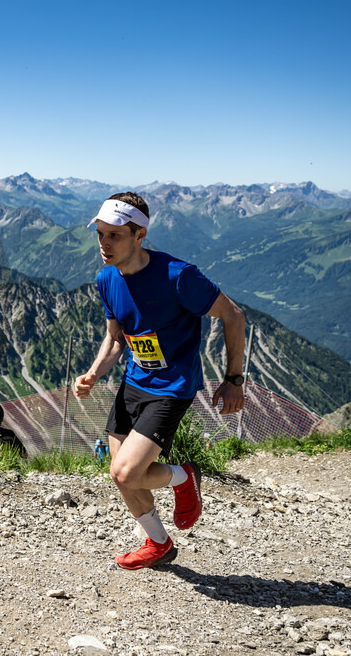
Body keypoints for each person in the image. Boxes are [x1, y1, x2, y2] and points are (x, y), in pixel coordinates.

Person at [74, 192, 245, 570]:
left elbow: (234, 316)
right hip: (133, 383)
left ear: (140, 235)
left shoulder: (178, 276)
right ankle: (159, 543)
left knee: (126, 472)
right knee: (122, 478)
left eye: (114, 235)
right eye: (100, 234)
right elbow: (116, 337)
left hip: (171, 388)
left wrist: (235, 379)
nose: (104, 243)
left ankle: (184, 476)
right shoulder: (107, 278)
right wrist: (93, 372)